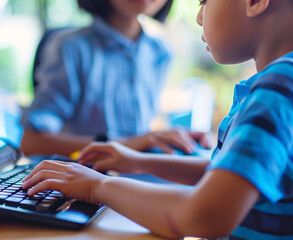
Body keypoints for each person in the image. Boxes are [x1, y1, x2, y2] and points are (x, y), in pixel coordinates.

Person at [22, 0, 293, 238]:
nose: (199, 17)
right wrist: (138, 160)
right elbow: (226, 172)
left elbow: (207, 214)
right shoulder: (278, 83)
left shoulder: (277, 88)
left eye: (203, 0)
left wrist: (97, 186)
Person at [20, 0, 212, 156]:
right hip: (81, 183)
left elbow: (140, 131)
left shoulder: (160, 52)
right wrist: (128, 144)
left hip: (132, 179)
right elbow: (32, 142)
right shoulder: (70, 49)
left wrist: (166, 139)